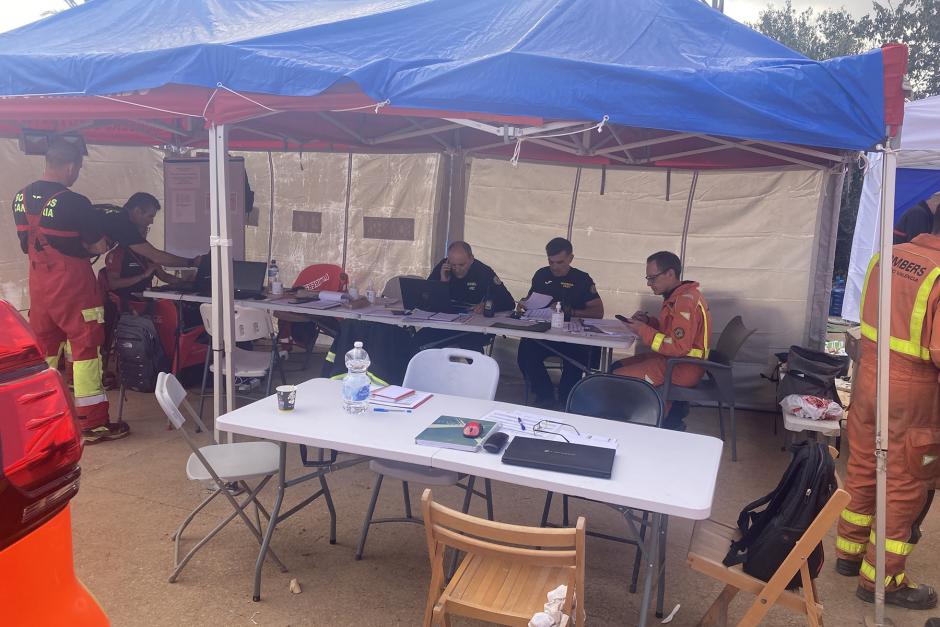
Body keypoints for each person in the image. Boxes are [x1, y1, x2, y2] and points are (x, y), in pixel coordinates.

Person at [834, 218, 940, 610]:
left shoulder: (888, 256)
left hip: (870, 380)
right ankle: (884, 580)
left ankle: (848, 553)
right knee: (906, 483)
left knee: (862, 464)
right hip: (914, 395)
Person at [11, 139, 126, 443]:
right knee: (86, 350)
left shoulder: (19, 198)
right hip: (73, 288)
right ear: (71, 166)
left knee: (45, 353)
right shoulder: (75, 202)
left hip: (39, 287)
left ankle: (42, 420)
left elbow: (27, 244)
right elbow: (97, 245)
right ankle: (92, 423)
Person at [611, 251, 710, 431]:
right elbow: (670, 333)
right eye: (647, 278)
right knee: (616, 366)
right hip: (673, 362)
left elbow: (679, 346)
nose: (649, 283)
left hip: (681, 366)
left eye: (653, 278)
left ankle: (632, 426)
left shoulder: (685, 302)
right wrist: (648, 323)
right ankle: (662, 418)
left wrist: (643, 330)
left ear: (670, 274)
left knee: (616, 379)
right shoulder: (678, 296)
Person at [517, 237, 603, 408]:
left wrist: (572, 312)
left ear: (570, 258)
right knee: (526, 351)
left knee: (577, 358)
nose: (555, 266)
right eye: (551, 262)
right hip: (544, 332)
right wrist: (525, 303)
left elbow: (598, 312)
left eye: (560, 262)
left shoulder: (582, 279)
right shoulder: (541, 275)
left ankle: (566, 398)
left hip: (571, 335)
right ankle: (544, 395)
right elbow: (531, 299)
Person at [413, 241, 514, 352]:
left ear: (471, 259)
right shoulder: (443, 268)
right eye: (453, 264)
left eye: (462, 264)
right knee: (416, 340)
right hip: (444, 324)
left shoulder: (483, 271)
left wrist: (487, 306)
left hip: (475, 328)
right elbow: (426, 299)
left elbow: (509, 302)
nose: (457, 269)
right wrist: (442, 284)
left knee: (422, 344)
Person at [100, 192, 196, 306]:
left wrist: (186, 283)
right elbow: (114, 284)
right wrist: (143, 276)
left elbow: (163, 275)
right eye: (150, 216)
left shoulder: (145, 253)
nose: (151, 222)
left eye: (147, 229)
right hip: (126, 304)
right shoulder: (118, 252)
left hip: (147, 303)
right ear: (136, 211)